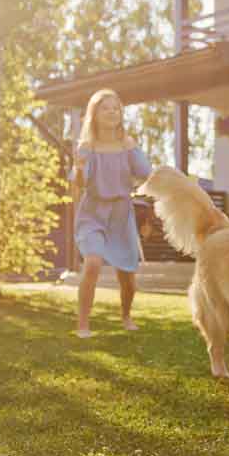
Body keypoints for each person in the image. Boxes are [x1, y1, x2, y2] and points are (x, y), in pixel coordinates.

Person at [72, 89, 153, 338]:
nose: (111, 111)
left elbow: (145, 172)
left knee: (127, 278)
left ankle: (126, 315)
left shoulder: (126, 145)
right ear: (94, 114)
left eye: (115, 108)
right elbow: (79, 183)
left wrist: (134, 148)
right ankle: (83, 324)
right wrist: (79, 166)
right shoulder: (88, 146)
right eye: (105, 107)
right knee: (93, 263)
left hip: (121, 215)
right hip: (92, 213)